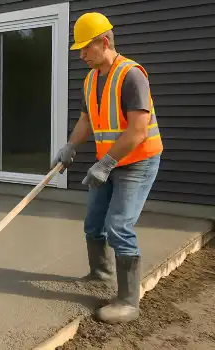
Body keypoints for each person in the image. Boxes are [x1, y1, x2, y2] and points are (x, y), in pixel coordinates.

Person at [51, 12, 163, 324]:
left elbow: (138, 131)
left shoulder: (132, 75)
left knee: (119, 225)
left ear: (104, 42)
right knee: (94, 222)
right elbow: (87, 120)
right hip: (109, 163)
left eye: (86, 48)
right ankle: (100, 274)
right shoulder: (91, 79)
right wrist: (71, 145)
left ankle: (129, 300)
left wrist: (106, 164)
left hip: (137, 162)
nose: (82, 54)